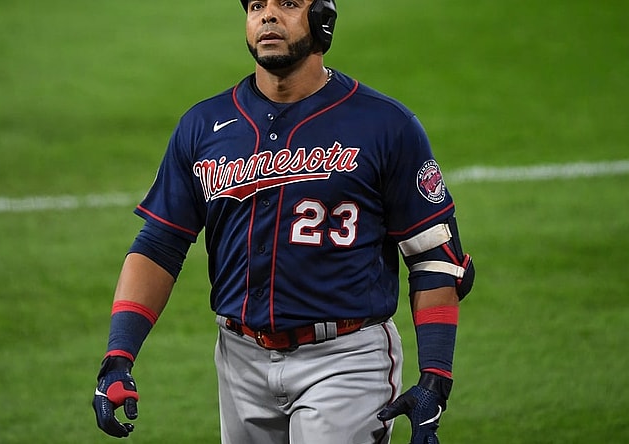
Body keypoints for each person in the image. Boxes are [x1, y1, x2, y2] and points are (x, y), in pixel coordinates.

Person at [91, 1, 475, 443]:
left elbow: (435, 257)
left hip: (346, 360)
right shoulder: (203, 126)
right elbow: (159, 245)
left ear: (322, 20)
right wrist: (118, 355)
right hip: (239, 360)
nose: (268, 16)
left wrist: (435, 378)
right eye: (257, 5)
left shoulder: (386, 126)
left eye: (288, 3)